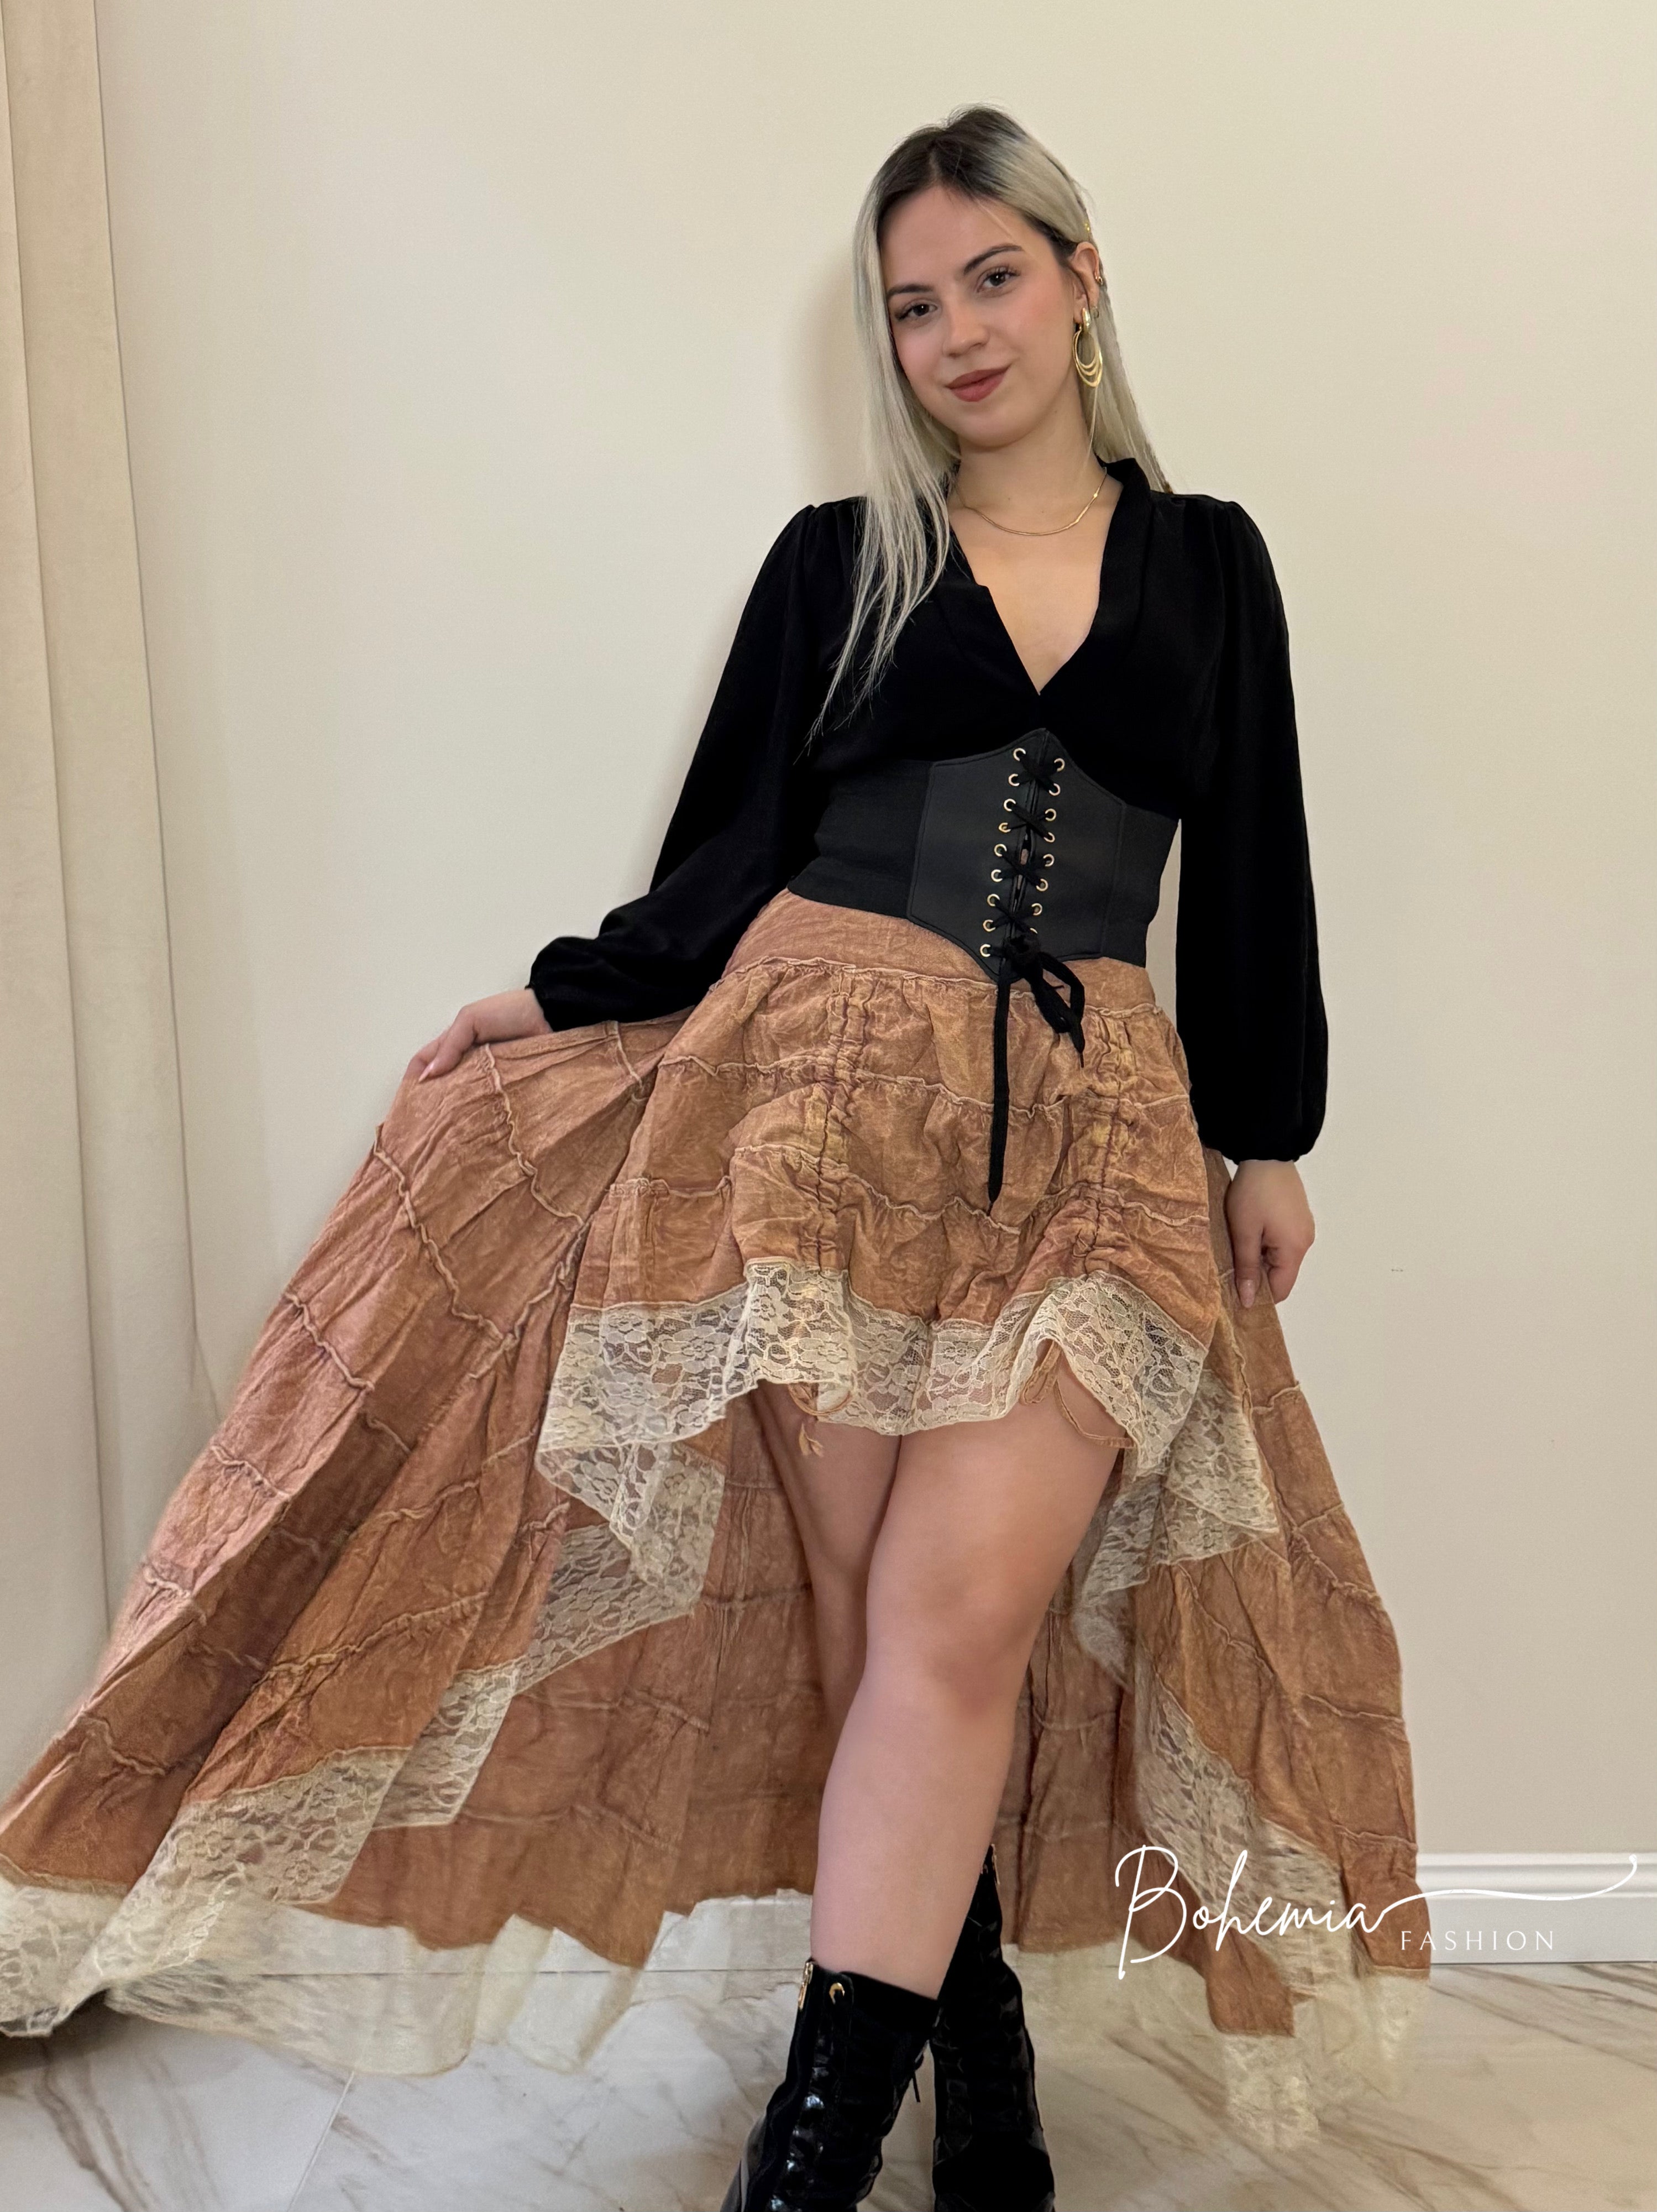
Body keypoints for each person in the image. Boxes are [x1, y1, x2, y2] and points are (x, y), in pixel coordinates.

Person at [0, 104, 1427, 2211]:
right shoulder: (842, 559)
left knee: (958, 1606)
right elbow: (731, 849)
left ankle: (835, 2128)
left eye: (994, 278)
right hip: (821, 1091)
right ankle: (946, 2086)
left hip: (1098, 1122)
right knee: (877, 1616)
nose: (959, 333)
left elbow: (1260, 863)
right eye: (914, 305)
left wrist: (1268, 1132)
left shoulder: (1211, 559)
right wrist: (558, 997)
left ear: (1081, 276)